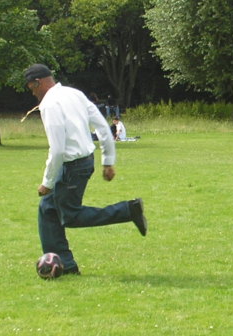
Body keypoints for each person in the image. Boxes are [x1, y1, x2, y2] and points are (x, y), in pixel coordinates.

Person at [24, 64, 147, 275]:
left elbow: (58, 149)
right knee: (48, 209)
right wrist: (108, 161)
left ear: (39, 82)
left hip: (71, 166)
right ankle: (65, 265)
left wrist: (47, 182)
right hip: (85, 161)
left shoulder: (50, 105)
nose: (33, 93)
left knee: (69, 215)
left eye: (32, 88)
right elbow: (102, 127)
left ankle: (128, 210)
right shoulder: (75, 94)